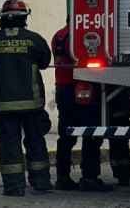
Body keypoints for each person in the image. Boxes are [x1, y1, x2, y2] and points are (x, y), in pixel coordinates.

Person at [0, 0, 53, 197]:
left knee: (9, 146)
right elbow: (45, 62)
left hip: (3, 106)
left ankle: (14, 187)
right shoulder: (35, 40)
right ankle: (41, 182)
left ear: (2, 18)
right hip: (32, 104)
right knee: (36, 141)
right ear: (24, 18)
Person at [50, 25, 113, 192]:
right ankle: (89, 177)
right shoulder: (82, 35)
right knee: (91, 133)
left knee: (66, 136)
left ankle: (62, 177)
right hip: (84, 87)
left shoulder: (58, 35)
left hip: (63, 89)